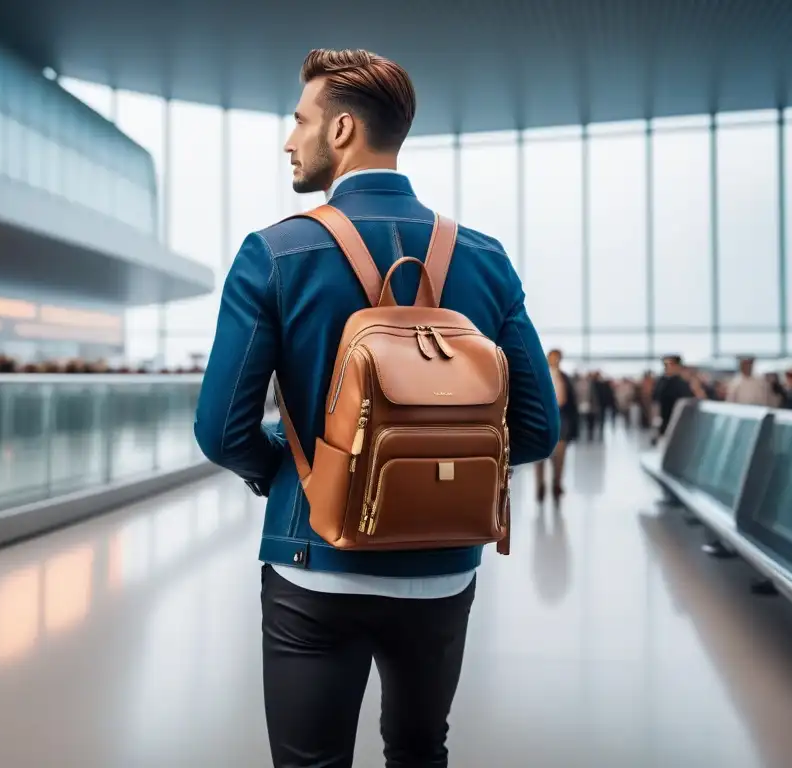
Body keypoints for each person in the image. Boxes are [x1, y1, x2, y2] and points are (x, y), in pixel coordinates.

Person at [194, 47, 559, 768]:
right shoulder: (484, 257)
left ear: (341, 132)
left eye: (300, 120)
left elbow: (221, 429)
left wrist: (301, 471)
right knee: (421, 751)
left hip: (313, 562)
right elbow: (539, 427)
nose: (289, 138)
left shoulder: (274, 253)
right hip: (445, 567)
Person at [535, 348, 579, 502]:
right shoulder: (539, 376)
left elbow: (572, 401)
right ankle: (540, 485)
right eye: (553, 358)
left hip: (562, 418)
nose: (555, 361)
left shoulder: (565, 377)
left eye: (558, 358)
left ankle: (557, 484)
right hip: (542, 418)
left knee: (560, 454)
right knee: (540, 455)